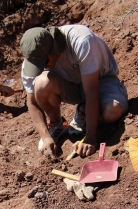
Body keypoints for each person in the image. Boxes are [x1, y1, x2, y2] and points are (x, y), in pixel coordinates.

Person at [20, 25, 128, 158]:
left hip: (101, 80)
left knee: (112, 112)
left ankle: (84, 111)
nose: (42, 67)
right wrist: (45, 137)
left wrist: (90, 139)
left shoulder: (81, 40)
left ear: (54, 49)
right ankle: (57, 125)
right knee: (41, 83)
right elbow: (32, 102)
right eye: (37, 65)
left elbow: (92, 90)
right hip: (72, 84)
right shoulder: (32, 58)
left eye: (44, 61)